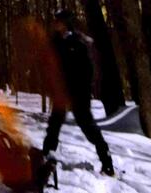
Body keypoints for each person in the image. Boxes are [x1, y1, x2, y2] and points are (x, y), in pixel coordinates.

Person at [41, 9, 114, 176]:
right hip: (61, 92)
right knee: (54, 125)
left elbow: (88, 70)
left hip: (78, 93)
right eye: (55, 20)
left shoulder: (79, 42)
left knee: (88, 127)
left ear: (66, 23)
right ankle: (46, 156)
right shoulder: (55, 41)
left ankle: (107, 162)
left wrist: (81, 89)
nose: (55, 23)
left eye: (59, 21)